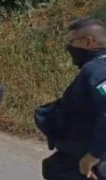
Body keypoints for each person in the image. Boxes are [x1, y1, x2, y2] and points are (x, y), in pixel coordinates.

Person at [36, 17, 106, 180]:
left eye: (72, 42)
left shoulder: (96, 71)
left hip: (84, 164)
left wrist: (91, 157)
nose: (69, 48)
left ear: (89, 42)